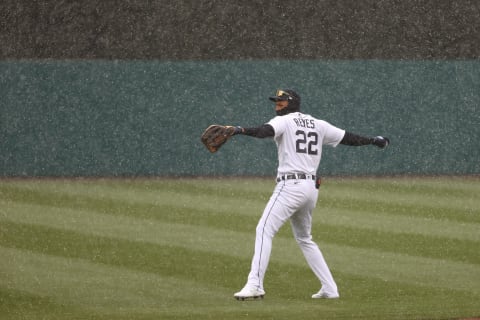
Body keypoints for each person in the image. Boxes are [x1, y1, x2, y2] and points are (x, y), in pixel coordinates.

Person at [229, 89, 389, 301]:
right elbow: (347, 138)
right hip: (310, 188)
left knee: (264, 230)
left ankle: (255, 284)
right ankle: (330, 288)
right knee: (305, 238)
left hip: (290, 187)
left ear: (292, 103)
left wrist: (239, 129)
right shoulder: (317, 124)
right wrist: (373, 140)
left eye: (281, 102)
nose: (277, 105)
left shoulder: (285, 121)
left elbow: (264, 131)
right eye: (276, 102)